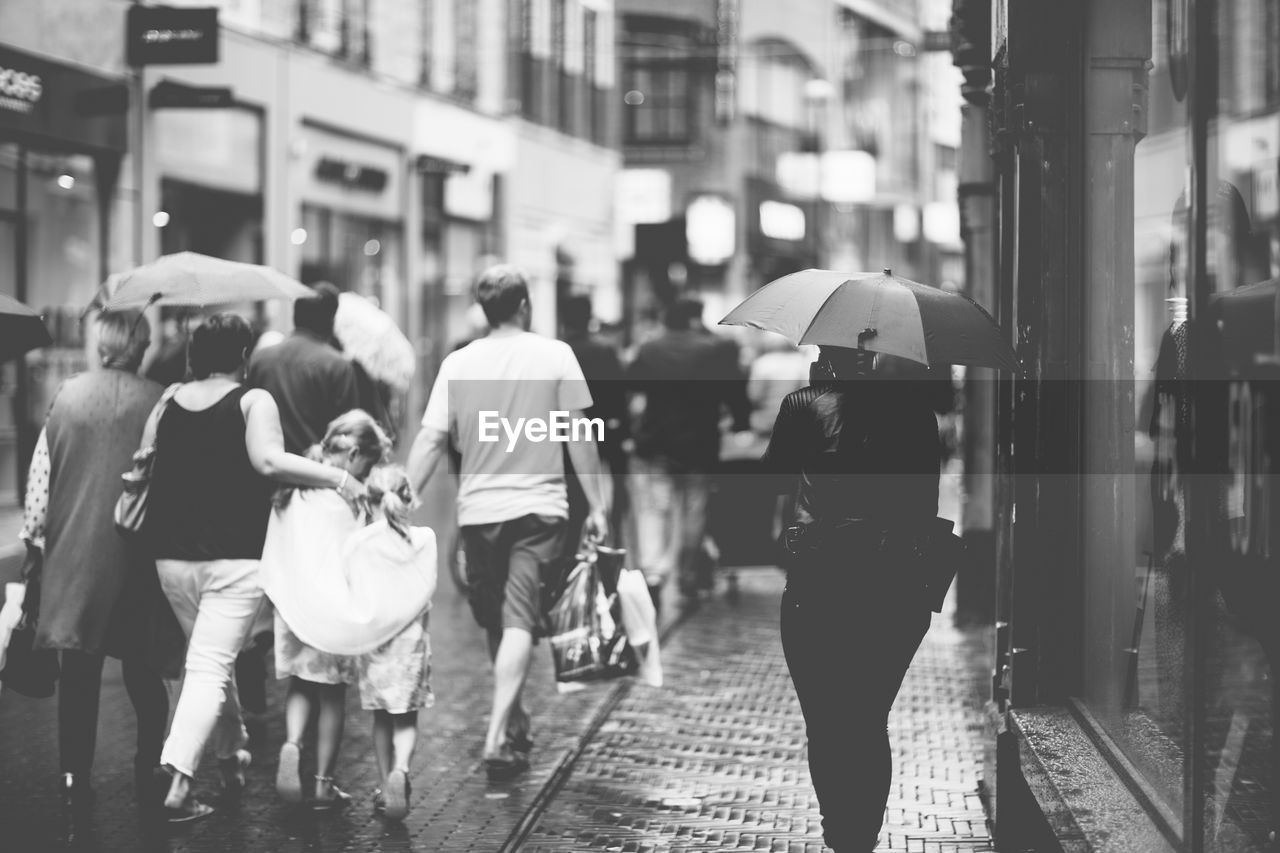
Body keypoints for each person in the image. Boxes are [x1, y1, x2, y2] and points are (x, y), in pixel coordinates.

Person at [144, 313, 367, 822]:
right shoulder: (252, 399)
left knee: (207, 662)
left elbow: (148, 461)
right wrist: (339, 479)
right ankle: (178, 781)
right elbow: (268, 461)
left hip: (170, 557)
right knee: (208, 666)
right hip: (235, 557)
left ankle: (231, 756)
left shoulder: (168, 399)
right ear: (243, 355)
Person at [407, 264, 608, 780]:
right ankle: (507, 725)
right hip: (541, 510)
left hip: (480, 512)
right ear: (524, 305)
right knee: (513, 618)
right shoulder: (555, 355)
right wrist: (599, 505)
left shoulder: (458, 363)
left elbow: (431, 439)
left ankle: (502, 729)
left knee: (501, 617)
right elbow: (579, 434)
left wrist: (403, 494)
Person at [763, 346, 942, 853]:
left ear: (827, 355)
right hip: (896, 584)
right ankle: (859, 839)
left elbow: (773, 476)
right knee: (867, 720)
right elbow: (925, 501)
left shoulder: (805, 403)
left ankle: (838, 835)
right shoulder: (917, 411)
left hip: (819, 579)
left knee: (825, 722)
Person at [9, 311, 178, 810]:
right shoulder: (160, 402)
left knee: (79, 673)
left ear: (101, 344)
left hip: (76, 551)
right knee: (144, 669)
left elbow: (40, 480)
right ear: (142, 346)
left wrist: (34, 543)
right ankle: (150, 763)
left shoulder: (67, 395)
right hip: (138, 553)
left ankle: (72, 777)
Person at [267, 411, 391, 810]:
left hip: (292, 610)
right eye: (366, 465)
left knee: (300, 687)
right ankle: (322, 785)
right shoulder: (345, 498)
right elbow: (357, 555)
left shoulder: (293, 489)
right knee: (333, 697)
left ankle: (291, 743)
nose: (365, 475)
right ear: (354, 453)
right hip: (331, 613)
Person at [626, 296, 750, 614]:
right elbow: (734, 394)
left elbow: (631, 387)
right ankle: (689, 575)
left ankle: (654, 574)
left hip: (656, 442)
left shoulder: (650, 349)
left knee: (656, 511)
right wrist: (739, 423)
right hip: (699, 444)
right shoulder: (712, 350)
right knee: (695, 513)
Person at [247, 282, 361, 455]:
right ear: (330, 320)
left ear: (295, 316)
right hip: (316, 471)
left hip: (264, 467)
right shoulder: (337, 366)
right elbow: (346, 432)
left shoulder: (260, 358)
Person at [559, 294, 628, 544]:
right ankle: (609, 536)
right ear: (589, 317)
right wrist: (622, 429)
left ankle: (574, 539)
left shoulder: (558, 350)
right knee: (612, 489)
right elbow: (618, 394)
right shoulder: (604, 350)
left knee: (572, 489)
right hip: (605, 428)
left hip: (565, 430)